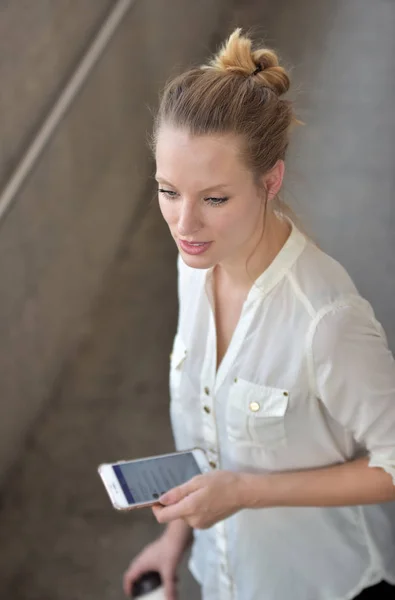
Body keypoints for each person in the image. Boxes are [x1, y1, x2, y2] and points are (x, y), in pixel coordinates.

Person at [124, 29, 395, 600]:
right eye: (168, 191)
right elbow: (207, 429)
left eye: (214, 198)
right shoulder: (195, 265)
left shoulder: (327, 320)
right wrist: (175, 537)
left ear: (270, 180)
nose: (184, 224)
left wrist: (245, 491)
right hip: (225, 578)